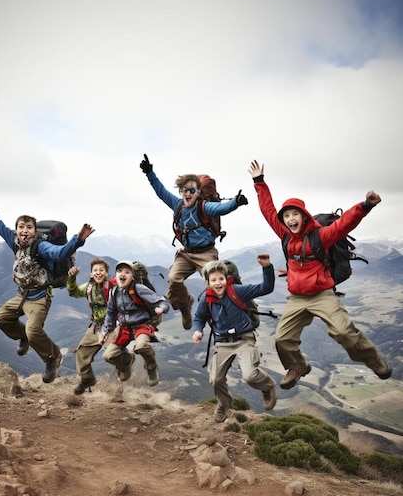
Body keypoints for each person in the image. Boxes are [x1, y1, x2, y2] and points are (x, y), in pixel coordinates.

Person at [248, 160, 392, 389]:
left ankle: (373, 360)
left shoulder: (320, 236)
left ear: (303, 216)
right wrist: (259, 182)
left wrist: (365, 206)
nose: (290, 219)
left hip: (322, 294)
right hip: (296, 297)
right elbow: (268, 210)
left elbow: (344, 224)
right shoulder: (284, 235)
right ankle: (298, 367)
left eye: (295, 214)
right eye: (287, 216)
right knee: (282, 339)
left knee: (344, 331)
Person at [0, 188, 94, 384]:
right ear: (16, 229)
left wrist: (78, 240)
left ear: (35, 231)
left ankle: (53, 358)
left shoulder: (40, 247)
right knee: (1, 319)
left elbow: (60, 254)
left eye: (29, 227)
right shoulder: (14, 241)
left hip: (40, 296)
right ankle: (24, 337)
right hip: (21, 295)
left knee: (34, 330)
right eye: (21, 226)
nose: (24, 230)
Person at [139, 153, 248, 330]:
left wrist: (236, 202)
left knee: (215, 284)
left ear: (198, 192)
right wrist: (150, 173)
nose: (188, 193)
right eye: (185, 190)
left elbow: (222, 208)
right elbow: (161, 191)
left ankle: (224, 319)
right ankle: (184, 306)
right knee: (174, 279)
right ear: (181, 192)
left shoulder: (204, 207)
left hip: (206, 253)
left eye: (192, 190)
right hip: (186, 253)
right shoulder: (177, 205)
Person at [192, 256, 277, 423]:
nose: (218, 283)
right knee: (215, 379)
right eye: (213, 279)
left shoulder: (237, 291)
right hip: (223, 343)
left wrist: (267, 267)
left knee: (250, 376)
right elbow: (198, 318)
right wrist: (197, 331)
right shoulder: (206, 300)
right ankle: (225, 402)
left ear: (227, 278)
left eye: (221, 278)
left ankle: (268, 386)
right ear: (207, 282)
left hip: (244, 340)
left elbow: (266, 287)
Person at [98, 260, 170, 387]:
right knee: (108, 356)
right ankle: (125, 362)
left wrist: (161, 308)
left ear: (132, 276)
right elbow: (110, 313)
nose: (122, 274)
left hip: (141, 325)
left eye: (127, 272)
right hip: (125, 328)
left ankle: (151, 367)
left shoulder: (139, 289)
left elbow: (161, 301)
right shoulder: (113, 292)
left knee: (141, 346)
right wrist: (105, 330)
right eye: (120, 271)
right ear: (115, 275)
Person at [67, 258, 116, 395]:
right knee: (82, 352)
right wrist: (71, 278)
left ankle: (125, 362)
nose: (98, 273)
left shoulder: (112, 287)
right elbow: (73, 292)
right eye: (95, 270)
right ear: (91, 274)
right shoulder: (89, 287)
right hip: (96, 326)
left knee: (112, 353)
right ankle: (87, 380)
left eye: (101, 270)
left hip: (112, 325)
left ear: (106, 273)